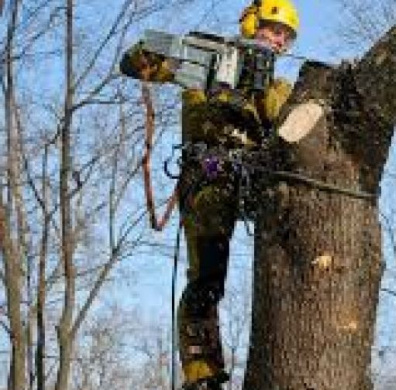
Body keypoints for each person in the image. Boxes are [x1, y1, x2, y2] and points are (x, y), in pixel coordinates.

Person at [119, 1, 299, 389]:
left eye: (285, 35)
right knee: (208, 276)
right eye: (272, 28)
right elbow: (134, 63)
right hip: (210, 178)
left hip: (257, 183)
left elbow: (290, 126)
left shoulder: (278, 88)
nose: (278, 39)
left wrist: (261, 87)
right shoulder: (206, 63)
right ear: (252, 23)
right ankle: (203, 373)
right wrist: (185, 56)